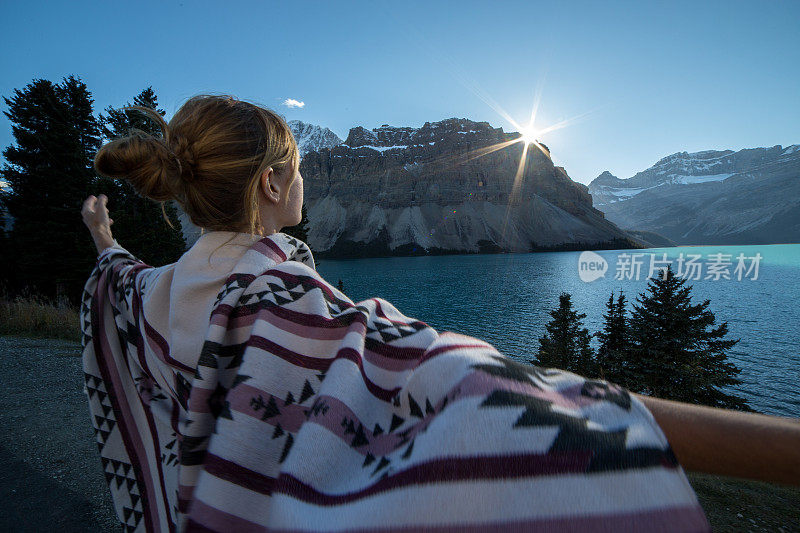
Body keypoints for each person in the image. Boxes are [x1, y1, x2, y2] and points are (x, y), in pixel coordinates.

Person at [78, 95, 793, 533]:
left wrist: (104, 240)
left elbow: (120, 278)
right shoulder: (286, 301)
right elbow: (447, 376)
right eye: (297, 168)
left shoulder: (158, 291)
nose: (305, 180)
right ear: (270, 184)